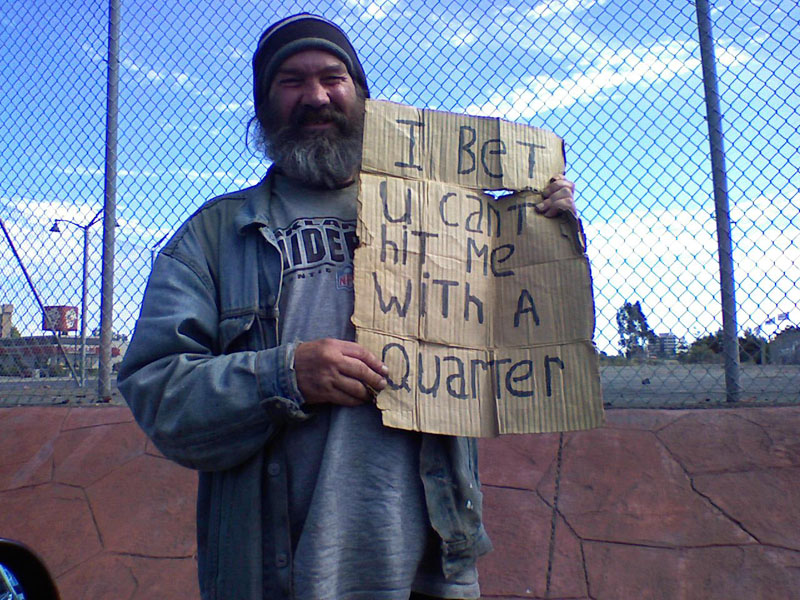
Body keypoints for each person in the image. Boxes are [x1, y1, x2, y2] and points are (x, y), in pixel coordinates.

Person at [118, 13, 577, 600]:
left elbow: (520, 338)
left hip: (432, 568)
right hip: (278, 576)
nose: (315, 96)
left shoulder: (448, 217)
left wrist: (540, 235)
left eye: (332, 78)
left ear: (362, 96)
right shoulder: (212, 237)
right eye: (291, 81)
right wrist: (284, 375)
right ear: (262, 107)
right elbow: (157, 392)